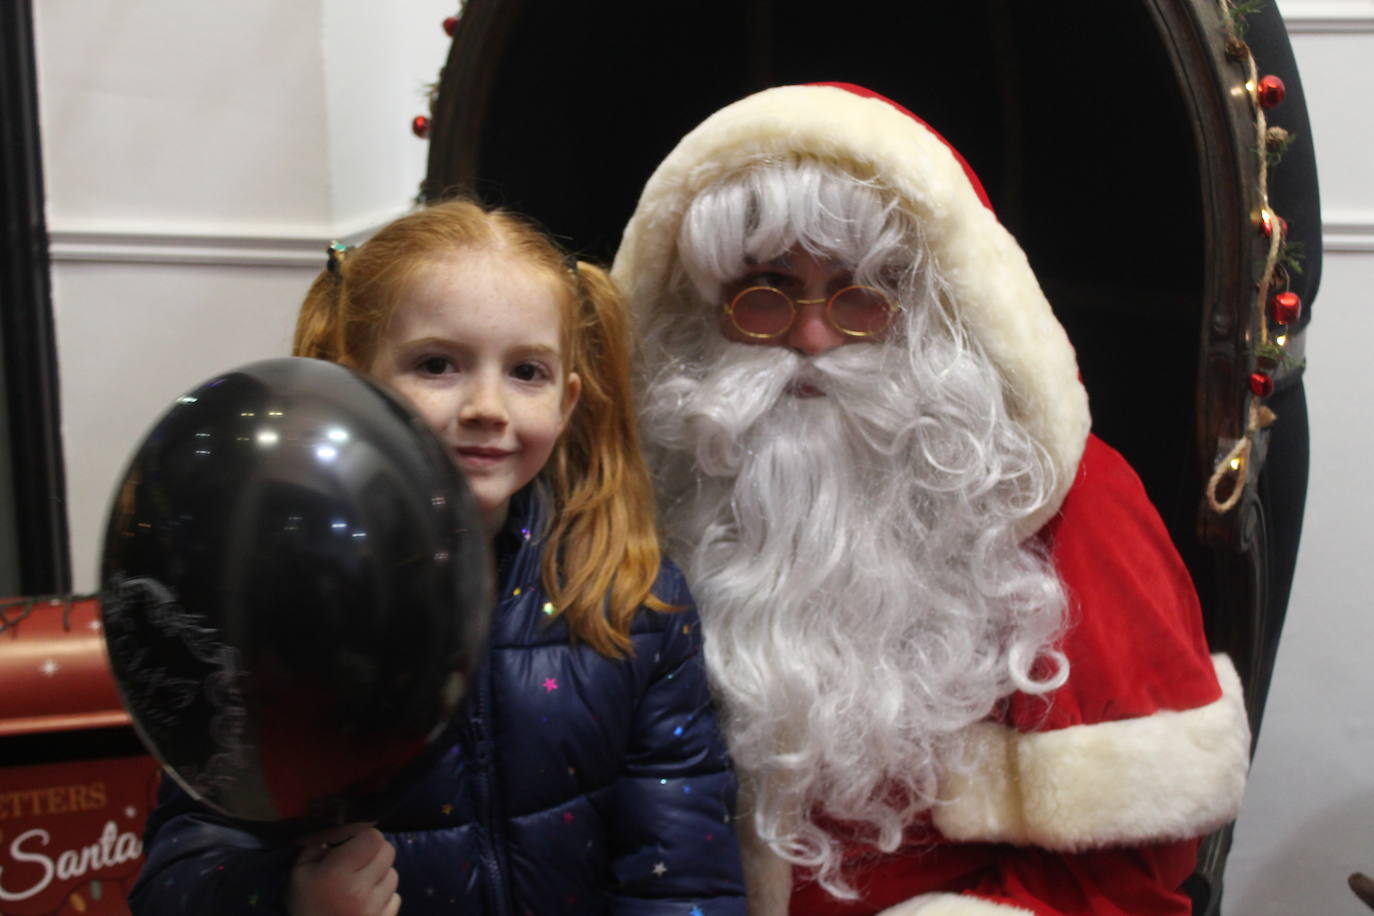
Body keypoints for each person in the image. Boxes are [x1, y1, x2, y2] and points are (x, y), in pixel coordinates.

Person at [612, 83, 1252, 915]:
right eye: (765, 290)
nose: (812, 338)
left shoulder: (1073, 503)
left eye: (862, 294)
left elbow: (1124, 869)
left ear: (933, 312)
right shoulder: (666, 486)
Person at [129, 198, 746, 915]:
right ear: (350, 382)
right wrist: (288, 901)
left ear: (568, 400)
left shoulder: (631, 602)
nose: (488, 405)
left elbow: (680, 876)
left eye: (527, 373)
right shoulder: (275, 612)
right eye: (437, 364)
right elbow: (183, 869)